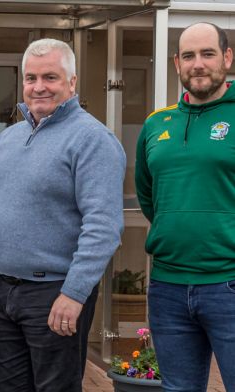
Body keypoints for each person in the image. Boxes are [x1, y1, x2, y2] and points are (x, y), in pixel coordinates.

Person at [0, 38, 126, 391]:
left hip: (53, 292)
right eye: (31, 78)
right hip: (2, 291)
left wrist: (74, 293)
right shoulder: (11, 137)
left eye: (50, 77)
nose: (39, 87)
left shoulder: (93, 140)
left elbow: (103, 226)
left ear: (72, 82)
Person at [135, 22, 235, 392]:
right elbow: (149, 196)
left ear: (227, 56)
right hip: (168, 287)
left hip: (228, 282)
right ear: (177, 63)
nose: (198, 64)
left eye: (207, 53)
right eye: (189, 55)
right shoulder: (156, 123)